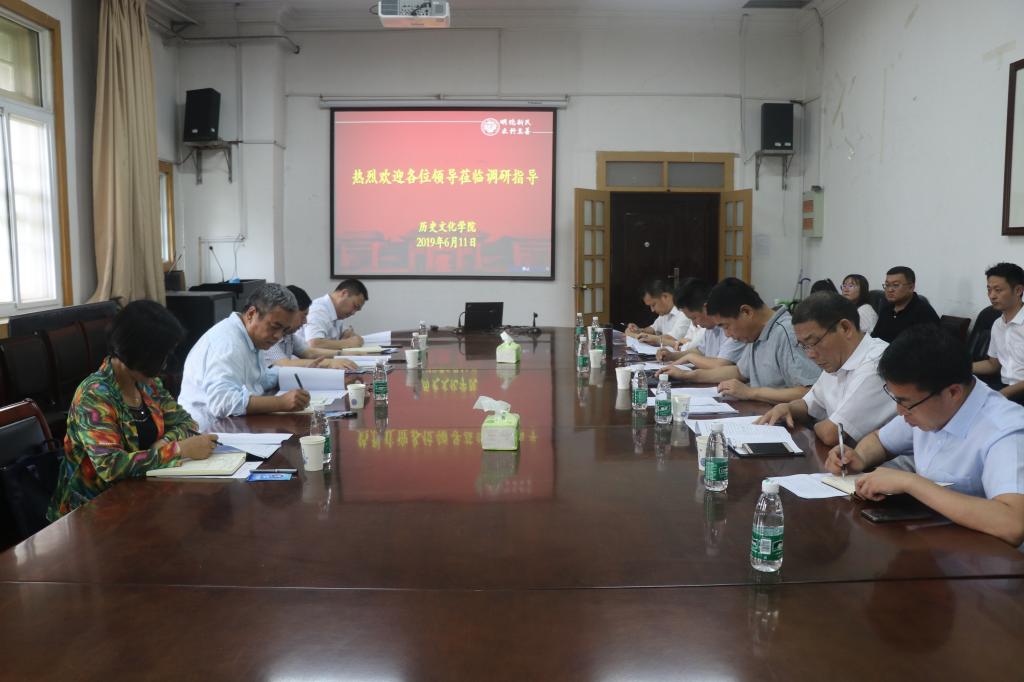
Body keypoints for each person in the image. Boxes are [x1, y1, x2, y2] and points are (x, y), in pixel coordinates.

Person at [826, 325, 1024, 546]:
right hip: (933, 542)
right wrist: (859, 457)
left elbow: (1012, 524)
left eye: (905, 403)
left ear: (953, 392)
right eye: (896, 399)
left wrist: (911, 483)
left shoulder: (1006, 431)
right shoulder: (926, 406)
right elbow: (879, 440)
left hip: (986, 558)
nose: (900, 411)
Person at [47, 301, 218, 520]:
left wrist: (163, 443)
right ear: (138, 352)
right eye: (161, 355)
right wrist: (178, 450)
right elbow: (111, 466)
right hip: (91, 512)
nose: (165, 364)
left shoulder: (148, 385)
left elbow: (186, 423)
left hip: (141, 496)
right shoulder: (94, 395)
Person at [755, 292, 895, 445]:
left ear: (845, 328)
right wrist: (787, 408)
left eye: (813, 342)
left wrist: (815, 425)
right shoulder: (836, 359)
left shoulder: (876, 364)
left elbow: (831, 434)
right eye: (804, 346)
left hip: (880, 460)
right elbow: (810, 404)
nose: (810, 354)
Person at [658, 278, 821, 403]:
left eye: (726, 326)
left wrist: (751, 393)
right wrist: (688, 375)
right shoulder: (755, 334)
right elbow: (739, 372)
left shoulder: (786, 333)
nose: (727, 335)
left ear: (746, 312)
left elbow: (810, 391)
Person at [178, 283, 311, 420]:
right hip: (209, 428)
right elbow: (223, 402)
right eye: (274, 326)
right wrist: (281, 402)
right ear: (251, 314)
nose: (278, 336)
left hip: (232, 423)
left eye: (284, 330)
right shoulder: (228, 344)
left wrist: (297, 373)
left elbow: (258, 379)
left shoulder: (251, 337)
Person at [655, 278, 744, 368]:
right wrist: (672, 356)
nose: (695, 324)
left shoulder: (731, 327)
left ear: (706, 308)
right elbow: (700, 351)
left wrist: (689, 359)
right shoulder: (710, 327)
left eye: (694, 318)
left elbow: (721, 365)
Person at [265, 285, 357, 370]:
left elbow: (309, 352)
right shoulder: (268, 335)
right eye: (304, 315)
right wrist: (330, 363)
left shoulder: (288, 335)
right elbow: (284, 364)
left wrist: (344, 354)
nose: (305, 321)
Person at [971, 262, 1024, 402]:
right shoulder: (997, 324)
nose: (992, 296)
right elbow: (993, 365)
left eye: (998, 290)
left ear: (1018, 290)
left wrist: (1004, 393)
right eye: (989, 290)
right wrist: (960, 367)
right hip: (1003, 387)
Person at [871, 266, 939, 342]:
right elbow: (874, 337)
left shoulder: (924, 313)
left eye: (896, 285)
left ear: (911, 287)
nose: (890, 290)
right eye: (887, 285)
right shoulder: (886, 308)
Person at [304, 279, 369, 351]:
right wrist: (348, 343)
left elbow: (346, 333)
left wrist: (348, 334)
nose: (353, 313)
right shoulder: (318, 310)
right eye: (355, 306)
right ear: (344, 293)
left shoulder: (336, 312)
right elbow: (314, 344)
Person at [625, 278, 692, 347]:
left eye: (653, 305)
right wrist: (638, 330)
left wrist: (638, 335)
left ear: (665, 297)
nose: (652, 310)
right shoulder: (665, 313)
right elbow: (653, 329)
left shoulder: (684, 312)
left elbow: (671, 339)